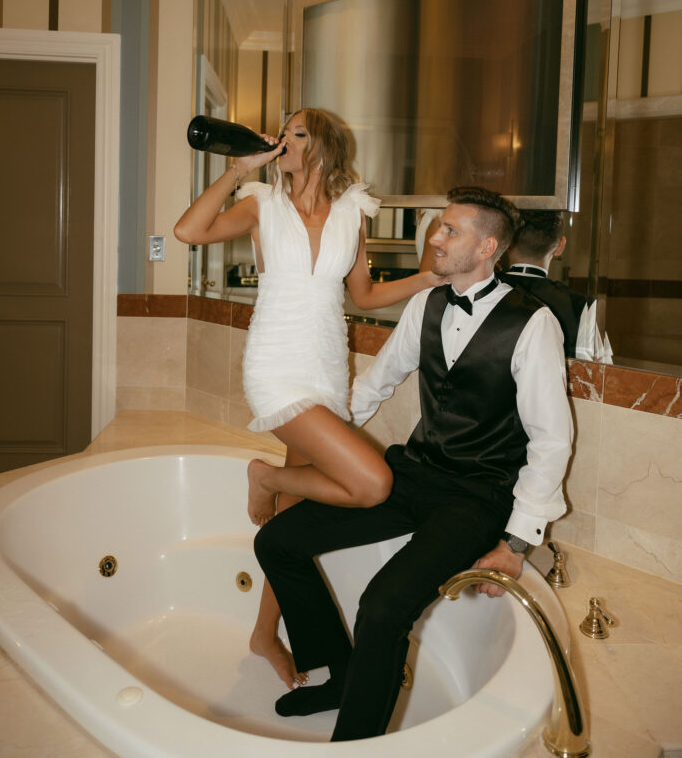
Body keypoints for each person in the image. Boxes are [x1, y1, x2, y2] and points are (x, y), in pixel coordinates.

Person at [254, 185, 574, 742]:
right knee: (276, 541)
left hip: (480, 494)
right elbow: (373, 387)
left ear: (488, 247)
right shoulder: (427, 303)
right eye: (438, 225)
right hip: (416, 470)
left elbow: (551, 441)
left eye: (451, 230)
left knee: (381, 607)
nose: (434, 236)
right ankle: (342, 675)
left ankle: (354, 745)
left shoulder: (533, 322)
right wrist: (312, 433)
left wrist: (518, 543)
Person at [174, 107, 443, 690]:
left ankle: (264, 633)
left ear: (324, 146)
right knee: (372, 483)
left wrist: (425, 279)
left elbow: (365, 295)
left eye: (296, 133)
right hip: (275, 364)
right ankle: (264, 477)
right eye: (282, 133)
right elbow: (189, 232)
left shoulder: (353, 214)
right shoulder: (260, 204)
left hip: (325, 365)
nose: (282, 140)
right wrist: (238, 167)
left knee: (291, 530)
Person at [500, 209, 612, 362]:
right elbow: (602, 373)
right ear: (560, 246)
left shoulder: (480, 290)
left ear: (507, 243)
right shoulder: (580, 306)